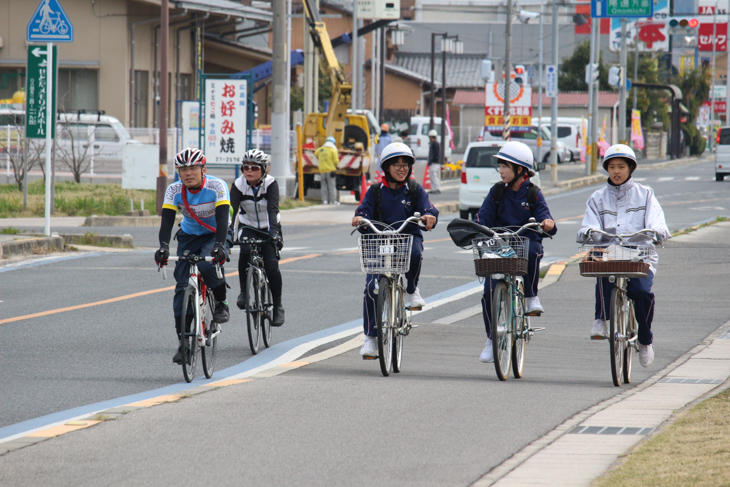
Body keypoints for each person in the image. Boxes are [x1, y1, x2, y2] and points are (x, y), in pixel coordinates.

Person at [577, 144, 670, 367]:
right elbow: (587, 226)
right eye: (611, 167)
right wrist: (588, 232)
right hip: (611, 252)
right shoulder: (597, 198)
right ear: (607, 169)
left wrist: (657, 231)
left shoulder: (645, 194)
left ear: (630, 168)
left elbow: (658, 223)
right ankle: (600, 319)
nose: (616, 171)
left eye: (621, 166)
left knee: (640, 292)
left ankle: (645, 339)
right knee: (597, 264)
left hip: (640, 254)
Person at [352, 142, 439, 358]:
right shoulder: (375, 192)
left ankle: (411, 290)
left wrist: (429, 216)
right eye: (397, 165)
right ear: (386, 167)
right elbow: (363, 211)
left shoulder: (415, 190)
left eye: (405, 165)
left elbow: (429, 208)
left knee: (416, 253)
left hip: (407, 240)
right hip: (379, 242)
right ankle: (371, 339)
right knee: (372, 287)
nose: (402, 169)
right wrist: (359, 218)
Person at [474, 141, 557, 363]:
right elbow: (484, 215)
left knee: (531, 251)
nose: (500, 171)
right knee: (489, 291)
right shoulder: (497, 191)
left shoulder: (533, 193)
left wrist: (547, 223)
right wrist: (478, 224)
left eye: (505, 166)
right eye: (499, 166)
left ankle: (531, 296)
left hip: (525, 241)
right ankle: (492, 339)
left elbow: (543, 216)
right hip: (500, 245)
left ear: (520, 169)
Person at [155, 147, 231, 365]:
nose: (188, 173)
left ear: (203, 169)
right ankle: (184, 344)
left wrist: (219, 246)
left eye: (193, 168)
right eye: (183, 169)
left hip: (217, 233)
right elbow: (167, 221)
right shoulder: (174, 190)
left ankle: (221, 302)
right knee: (181, 290)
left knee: (207, 267)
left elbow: (224, 217)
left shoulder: (217, 186)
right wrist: (163, 247)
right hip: (189, 235)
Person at [230, 149, 285, 327]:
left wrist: (274, 233)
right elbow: (232, 211)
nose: (249, 171)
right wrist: (229, 232)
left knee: (271, 266)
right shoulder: (238, 185)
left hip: (269, 226)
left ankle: (277, 306)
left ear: (263, 170)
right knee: (245, 250)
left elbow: (272, 209)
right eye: (245, 167)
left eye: (254, 168)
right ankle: (244, 292)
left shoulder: (271, 184)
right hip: (249, 225)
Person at [314, 136, 339, 205]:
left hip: (322, 170)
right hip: (331, 171)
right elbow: (336, 161)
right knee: (331, 186)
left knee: (323, 185)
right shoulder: (333, 150)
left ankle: (324, 200)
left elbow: (316, 153)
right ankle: (332, 201)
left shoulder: (321, 149)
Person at [427, 129, 441, 194]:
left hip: (434, 162)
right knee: (432, 175)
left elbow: (436, 153)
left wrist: (434, 160)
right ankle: (433, 188)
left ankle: (436, 188)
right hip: (433, 162)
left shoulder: (435, 143)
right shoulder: (434, 143)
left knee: (433, 175)